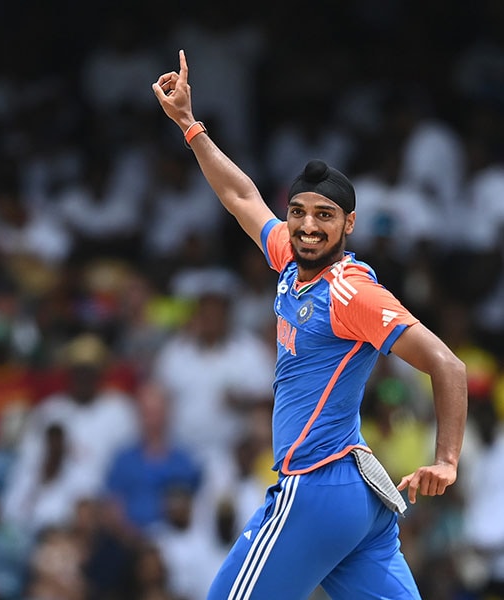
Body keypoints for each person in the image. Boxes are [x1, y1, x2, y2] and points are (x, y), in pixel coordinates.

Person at [152, 51, 468, 599]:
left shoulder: (351, 292)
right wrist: (188, 123)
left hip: (316, 486)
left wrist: (445, 460)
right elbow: (240, 196)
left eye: (324, 216)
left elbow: (447, 363)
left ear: (348, 224)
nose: (306, 226)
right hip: (357, 496)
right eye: (298, 212)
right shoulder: (289, 259)